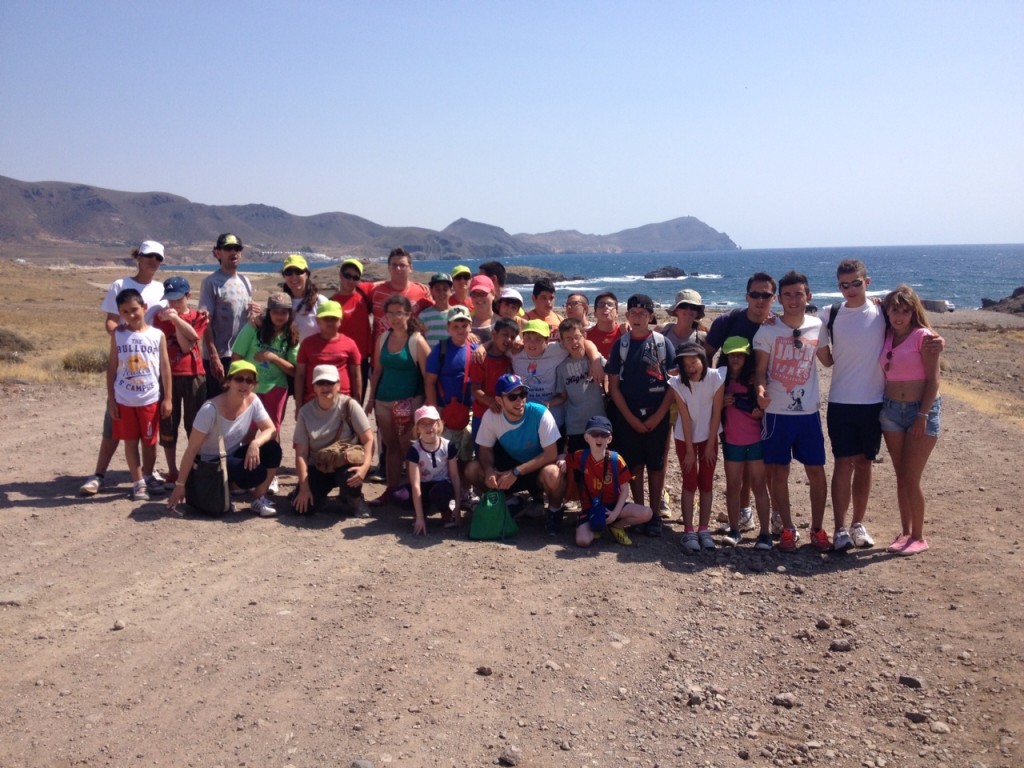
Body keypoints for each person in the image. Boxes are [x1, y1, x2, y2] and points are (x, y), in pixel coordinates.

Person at [80, 240, 170, 496]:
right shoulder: (121, 285)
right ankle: (98, 474)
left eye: (158, 258)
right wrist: (122, 335)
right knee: (114, 423)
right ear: (138, 257)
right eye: (148, 256)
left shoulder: (160, 289)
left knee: (147, 432)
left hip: (149, 367)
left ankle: (146, 476)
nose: (153, 261)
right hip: (124, 366)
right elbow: (110, 322)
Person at [753, 271, 828, 552]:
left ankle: (818, 529)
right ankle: (787, 528)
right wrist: (760, 391)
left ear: (808, 296)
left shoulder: (818, 326)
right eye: (787, 295)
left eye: (799, 294)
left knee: (816, 471)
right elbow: (759, 371)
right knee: (778, 472)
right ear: (779, 299)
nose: (794, 300)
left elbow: (829, 360)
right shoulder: (768, 330)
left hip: (808, 413)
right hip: (776, 414)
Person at [703, 273, 779, 532]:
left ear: (773, 298)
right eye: (755, 294)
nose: (760, 299)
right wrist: (711, 398)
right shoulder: (727, 322)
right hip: (731, 404)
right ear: (746, 296)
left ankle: (775, 516)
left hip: (769, 400)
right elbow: (706, 357)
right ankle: (745, 514)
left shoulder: (776, 325)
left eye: (765, 295)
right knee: (739, 461)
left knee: (767, 462)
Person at [166, 360, 281, 516]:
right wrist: (180, 485)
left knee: (273, 449)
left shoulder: (253, 400)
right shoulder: (210, 409)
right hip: (209, 463)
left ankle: (258, 499)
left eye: (249, 380)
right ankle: (218, 490)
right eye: (239, 379)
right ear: (228, 382)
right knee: (256, 473)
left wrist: (255, 443)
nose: (244, 384)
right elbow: (192, 449)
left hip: (230, 456)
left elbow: (271, 429)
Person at [605, 294, 675, 536]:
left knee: (656, 465)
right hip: (628, 417)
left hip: (658, 416)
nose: (637, 317)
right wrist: (630, 418)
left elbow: (673, 385)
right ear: (627, 315)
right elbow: (613, 387)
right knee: (633, 466)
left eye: (643, 313)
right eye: (633, 313)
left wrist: (658, 416)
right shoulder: (621, 346)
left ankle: (654, 514)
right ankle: (640, 512)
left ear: (651, 316)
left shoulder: (663, 344)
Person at [879, 285, 942, 556]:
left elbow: (934, 380)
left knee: (911, 477)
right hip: (891, 411)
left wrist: (922, 415)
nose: (900, 316)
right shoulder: (886, 335)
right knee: (900, 476)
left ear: (913, 311)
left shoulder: (923, 337)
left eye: (905, 311)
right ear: (888, 311)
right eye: (895, 310)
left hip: (920, 411)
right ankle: (904, 532)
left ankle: (919, 536)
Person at [466, 374, 567, 534]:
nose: (520, 401)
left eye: (522, 395)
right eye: (513, 397)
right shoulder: (491, 416)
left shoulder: (540, 413)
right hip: (509, 468)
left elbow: (551, 454)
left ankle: (554, 511)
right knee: (472, 469)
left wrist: (517, 471)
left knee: (554, 474)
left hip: (535, 469)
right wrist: (489, 470)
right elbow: (485, 450)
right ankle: (511, 502)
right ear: (499, 400)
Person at [107, 288, 172, 501]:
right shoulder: (118, 335)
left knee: (150, 441)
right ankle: (138, 482)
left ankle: (147, 474)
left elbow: (164, 367)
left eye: (134, 309)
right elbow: (112, 367)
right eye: (124, 312)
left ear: (144, 308)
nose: (131, 315)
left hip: (150, 398)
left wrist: (168, 397)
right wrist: (111, 399)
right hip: (124, 398)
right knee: (130, 441)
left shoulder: (157, 335)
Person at [366, 294, 431, 503]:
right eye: (390, 313)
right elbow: (377, 371)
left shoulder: (417, 341)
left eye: (399, 313)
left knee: (409, 448)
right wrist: (370, 400)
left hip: (408, 402)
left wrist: (429, 405)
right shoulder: (383, 338)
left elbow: (428, 376)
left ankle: (417, 492)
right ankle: (391, 489)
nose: (394, 317)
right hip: (383, 401)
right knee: (391, 447)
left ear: (408, 314)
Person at [290, 364, 373, 516]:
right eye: (320, 383)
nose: (325, 387)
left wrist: (365, 467)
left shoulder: (350, 405)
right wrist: (304, 488)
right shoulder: (305, 412)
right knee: (301, 509)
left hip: (345, 463)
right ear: (314, 387)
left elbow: (368, 439)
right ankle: (317, 497)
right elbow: (301, 453)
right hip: (319, 466)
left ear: (338, 385)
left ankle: (355, 498)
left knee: (350, 477)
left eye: (330, 383)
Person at [669, 342, 725, 552]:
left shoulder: (716, 377)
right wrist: (691, 451)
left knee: (707, 482)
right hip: (686, 438)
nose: (691, 367)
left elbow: (716, 412)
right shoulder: (677, 383)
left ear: (703, 359)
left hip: (709, 435)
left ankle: (704, 528)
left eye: (694, 361)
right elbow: (684, 417)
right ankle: (688, 530)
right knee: (689, 480)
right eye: (686, 363)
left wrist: (710, 444)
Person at [154, 276, 208, 489]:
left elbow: (189, 343)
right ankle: (172, 469)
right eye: (169, 300)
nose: (173, 304)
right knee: (168, 421)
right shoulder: (160, 319)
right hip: (169, 375)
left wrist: (176, 321)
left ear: (188, 296)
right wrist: (173, 320)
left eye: (177, 299)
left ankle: (194, 466)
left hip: (194, 374)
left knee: (194, 423)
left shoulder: (198, 317)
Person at [719, 336, 772, 549]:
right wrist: (721, 403)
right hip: (732, 442)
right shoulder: (719, 382)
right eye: (732, 355)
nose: (736, 359)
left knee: (759, 486)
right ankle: (734, 530)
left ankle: (765, 533)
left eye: (740, 355)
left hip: (756, 440)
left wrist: (760, 413)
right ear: (725, 356)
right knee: (733, 487)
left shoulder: (755, 381)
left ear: (747, 356)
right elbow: (710, 409)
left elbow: (766, 405)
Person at [569, 416, 653, 548]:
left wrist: (614, 514)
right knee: (583, 541)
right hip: (591, 507)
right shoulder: (581, 456)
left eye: (604, 434)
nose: (599, 438)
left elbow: (625, 489)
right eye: (594, 434)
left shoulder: (616, 460)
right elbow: (564, 460)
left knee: (647, 513)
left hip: (613, 505)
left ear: (609, 439)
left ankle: (615, 526)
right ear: (586, 437)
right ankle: (594, 524)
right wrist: (562, 458)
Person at [424, 306, 478, 504]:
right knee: (447, 454)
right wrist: (433, 414)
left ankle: (466, 490)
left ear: (470, 327)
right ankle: (449, 492)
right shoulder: (439, 351)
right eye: (456, 325)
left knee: (467, 453)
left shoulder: (475, 350)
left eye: (464, 325)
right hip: (444, 412)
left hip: (469, 411)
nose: (461, 329)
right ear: (448, 327)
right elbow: (429, 382)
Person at [198, 233, 260, 399]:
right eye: (228, 248)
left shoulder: (246, 281)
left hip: (241, 355)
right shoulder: (211, 282)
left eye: (237, 248)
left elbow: (249, 317)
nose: (234, 252)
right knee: (218, 403)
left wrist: (257, 313)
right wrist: (213, 356)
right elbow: (205, 321)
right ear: (217, 253)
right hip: (220, 356)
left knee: (239, 402)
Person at [231, 292, 299, 435]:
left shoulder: (291, 336)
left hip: (276, 387)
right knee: (247, 429)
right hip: (250, 386)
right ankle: (246, 457)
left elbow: (295, 370)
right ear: (269, 312)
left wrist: (274, 358)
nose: (279, 316)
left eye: (283, 312)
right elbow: (237, 356)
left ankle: (272, 457)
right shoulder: (254, 328)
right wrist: (237, 382)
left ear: (290, 313)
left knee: (273, 430)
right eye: (275, 312)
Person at [550, 317, 607, 456]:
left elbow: (609, 379)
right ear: (562, 342)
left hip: (600, 421)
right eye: (568, 339)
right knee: (577, 468)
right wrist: (548, 403)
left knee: (600, 465)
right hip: (575, 426)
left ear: (584, 336)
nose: (574, 342)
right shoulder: (561, 368)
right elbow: (563, 397)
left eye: (577, 337)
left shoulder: (596, 360)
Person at [403, 405, 461, 535]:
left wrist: (458, 507)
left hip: (442, 485)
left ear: (439, 424)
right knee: (399, 496)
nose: (428, 428)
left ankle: (446, 511)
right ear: (417, 428)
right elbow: (416, 485)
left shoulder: (448, 446)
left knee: (440, 491)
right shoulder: (414, 450)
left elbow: (455, 476)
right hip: (423, 486)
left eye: (432, 423)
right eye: (423, 424)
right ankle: (421, 512)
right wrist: (419, 518)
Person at [294, 300, 362, 407]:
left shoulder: (350, 344)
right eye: (326, 319)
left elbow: (356, 375)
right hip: (313, 400)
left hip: (342, 399)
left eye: (334, 319)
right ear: (317, 320)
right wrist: (298, 405)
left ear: (340, 321)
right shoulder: (307, 344)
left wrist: (357, 403)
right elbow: (300, 375)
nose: (330, 323)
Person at [329, 257, 375, 400]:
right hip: (339, 359)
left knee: (358, 401)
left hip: (362, 358)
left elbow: (388, 284)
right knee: (339, 400)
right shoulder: (332, 302)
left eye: (355, 277)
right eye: (347, 275)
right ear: (340, 276)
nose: (351, 280)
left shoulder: (364, 296)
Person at [370, 247, 432, 345]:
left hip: (410, 354)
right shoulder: (375, 291)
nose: (398, 268)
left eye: (402, 265)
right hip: (380, 354)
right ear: (388, 267)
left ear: (410, 268)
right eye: (394, 265)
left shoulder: (422, 292)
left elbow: (439, 310)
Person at [469, 316, 517, 440]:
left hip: (504, 415)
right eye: (505, 335)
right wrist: (490, 402)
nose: (508, 339)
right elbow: (474, 389)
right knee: (481, 452)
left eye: (512, 337)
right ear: (494, 334)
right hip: (482, 414)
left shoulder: (510, 359)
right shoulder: (480, 358)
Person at [280, 253, 329, 341]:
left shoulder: (321, 302)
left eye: (298, 271)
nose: (294, 276)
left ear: (307, 274)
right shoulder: (280, 304)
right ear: (284, 276)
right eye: (289, 272)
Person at [418, 273, 455, 346]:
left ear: (451, 291)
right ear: (431, 291)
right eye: (437, 289)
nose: (441, 293)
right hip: (432, 356)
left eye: (445, 289)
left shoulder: (456, 313)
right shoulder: (424, 316)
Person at [586, 291, 626, 358]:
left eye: (610, 304)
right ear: (595, 313)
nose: (606, 307)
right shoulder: (587, 336)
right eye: (601, 305)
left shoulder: (625, 333)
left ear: (617, 313)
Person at [468, 274, 496, 343]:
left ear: (493, 294)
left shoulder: (502, 323)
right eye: (474, 294)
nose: (478, 298)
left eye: (483, 293)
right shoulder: (464, 324)